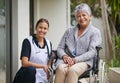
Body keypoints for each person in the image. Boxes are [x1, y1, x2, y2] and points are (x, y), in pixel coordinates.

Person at [54, 3, 102, 83]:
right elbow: (60, 48)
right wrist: (64, 56)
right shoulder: (69, 31)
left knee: (73, 70)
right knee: (61, 68)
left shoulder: (95, 32)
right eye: (78, 16)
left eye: (84, 15)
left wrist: (75, 60)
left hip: (84, 61)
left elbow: (92, 52)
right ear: (76, 18)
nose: (81, 18)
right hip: (67, 60)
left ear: (90, 16)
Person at [13, 18, 53, 83]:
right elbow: (24, 63)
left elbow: (49, 62)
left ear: (47, 30)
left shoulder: (49, 43)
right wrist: (42, 66)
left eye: (45, 28)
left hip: (42, 79)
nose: (42, 30)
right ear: (36, 28)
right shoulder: (27, 41)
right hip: (27, 77)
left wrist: (48, 70)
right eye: (40, 27)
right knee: (30, 69)